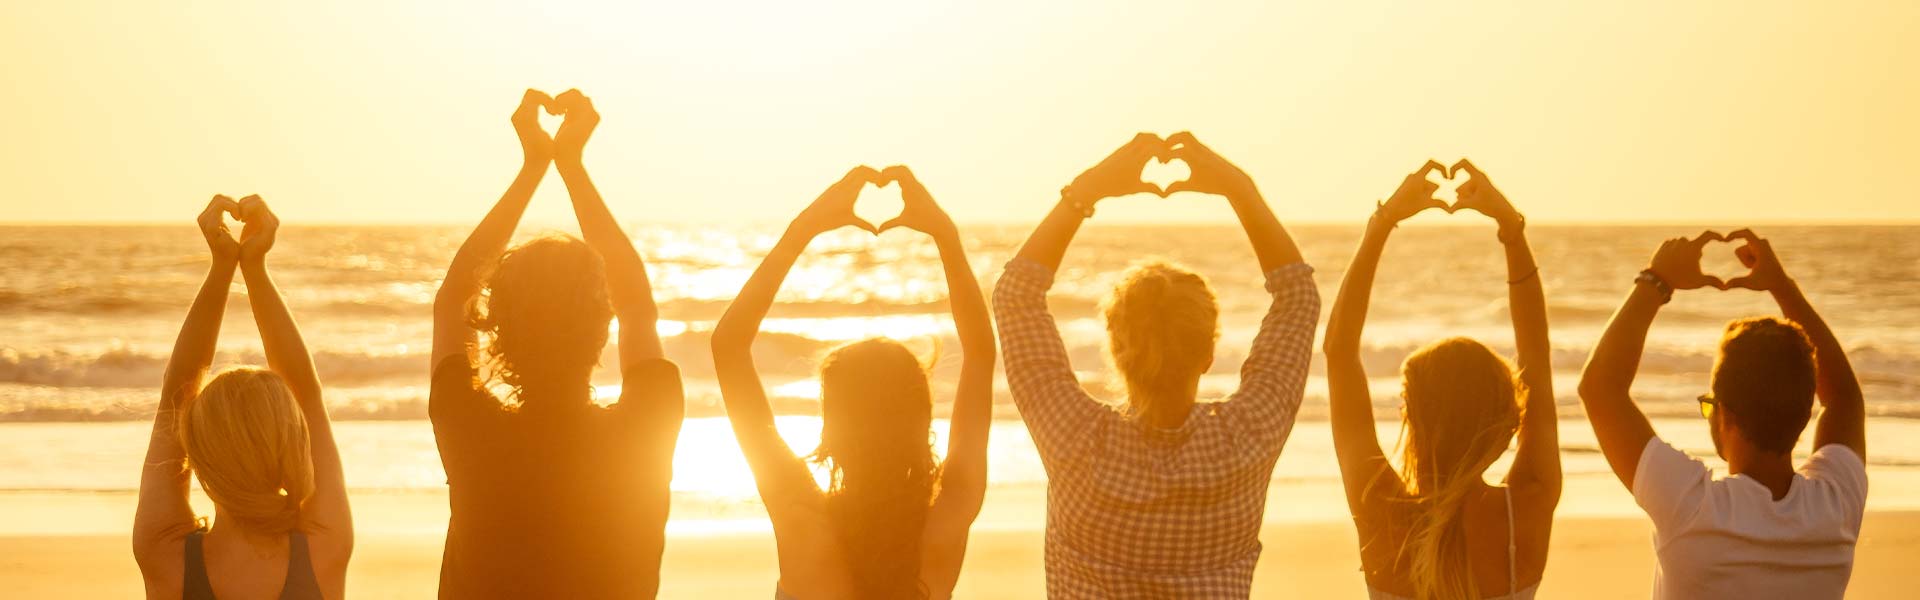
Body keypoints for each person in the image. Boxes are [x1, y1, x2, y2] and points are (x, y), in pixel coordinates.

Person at [994, 132, 1319, 597]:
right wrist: (1241, 192)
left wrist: (1085, 193)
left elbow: (1015, 295)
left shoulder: (1075, 438)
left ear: (1115, 350)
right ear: (1208, 354)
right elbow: (1298, 297)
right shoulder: (1248, 437)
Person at [429, 89, 685, 598]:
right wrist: (571, 165)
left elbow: (453, 299)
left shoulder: (469, 427)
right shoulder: (645, 426)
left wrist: (532, 167)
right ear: (603, 326)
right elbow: (638, 304)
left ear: (496, 328)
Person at [710, 165, 995, 599]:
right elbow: (980, 354)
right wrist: (945, 235)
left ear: (833, 425)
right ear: (921, 419)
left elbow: (728, 346)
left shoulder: (800, 515)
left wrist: (803, 229)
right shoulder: (946, 519)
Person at [1577, 229, 1867, 599]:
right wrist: (1782, 286)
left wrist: (1657, 279)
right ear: (1804, 413)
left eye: (1709, 404)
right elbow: (1844, 398)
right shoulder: (1835, 508)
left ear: (1725, 415)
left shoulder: (1694, 509)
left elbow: (1598, 388)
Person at [1322, 160, 1559, 600]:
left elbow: (1339, 352)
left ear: (1411, 418)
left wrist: (1382, 222)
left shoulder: (1383, 513)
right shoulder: (1526, 508)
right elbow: (1536, 357)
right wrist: (1510, 228)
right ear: (1510, 420)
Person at [134, 195, 352, 599]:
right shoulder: (322, 551)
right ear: (293, 446)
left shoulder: (166, 558)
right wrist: (255, 268)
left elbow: (175, 394)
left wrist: (222, 267)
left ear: (197, 453)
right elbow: (307, 394)